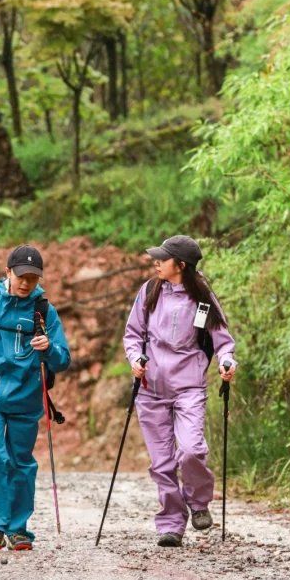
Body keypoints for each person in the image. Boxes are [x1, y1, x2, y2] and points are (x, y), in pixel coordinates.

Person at [123, 234, 236, 547]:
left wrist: (227, 361)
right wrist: (135, 359)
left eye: (163, 258)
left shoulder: (201, 300)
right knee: (162, 463)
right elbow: (133, 335)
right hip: (151, 389)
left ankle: (198, 501)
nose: (156, 263)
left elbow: (221, 338)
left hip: (188, 386)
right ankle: (171, 523)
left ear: (181, 265)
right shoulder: (149, 291)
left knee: (190, 450)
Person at [0, 244, 71, 552]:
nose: (26, 283)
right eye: (21, 276)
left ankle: (18, 529)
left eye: (33, 278)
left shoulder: (44, 312)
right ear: (7, 272)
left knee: (21, 462)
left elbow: (63, 360)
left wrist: (48, 348)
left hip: (27, 397)